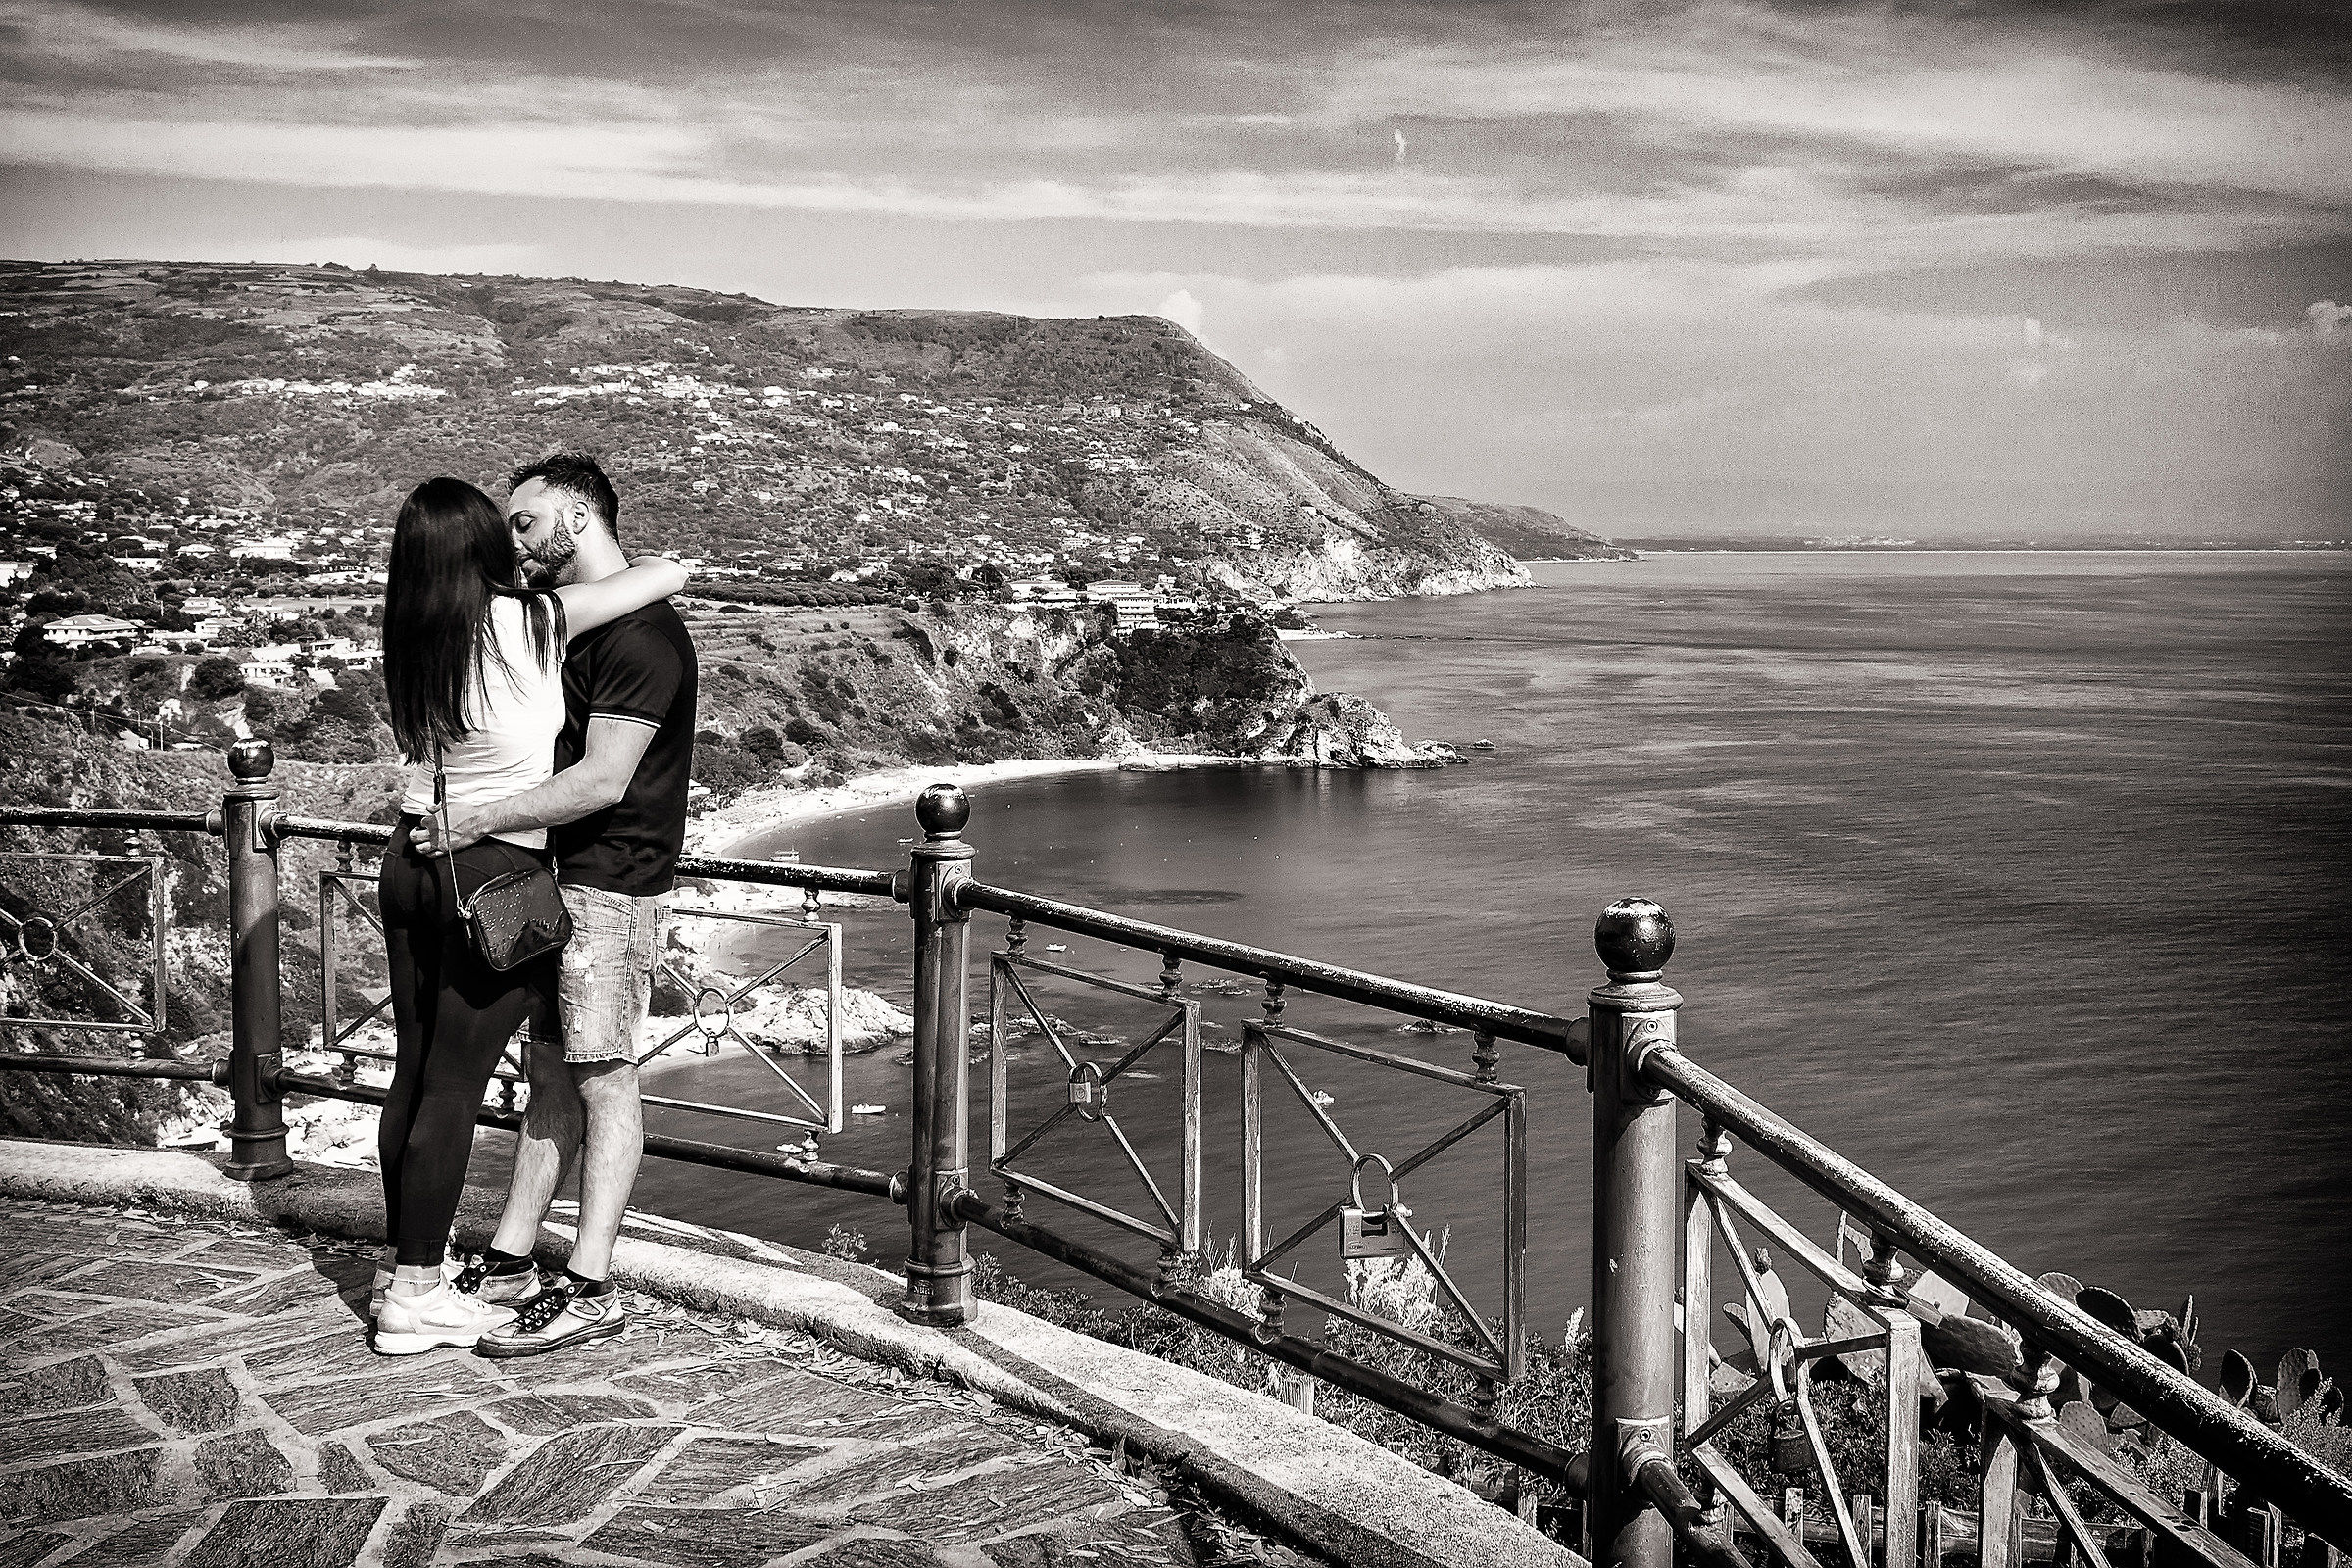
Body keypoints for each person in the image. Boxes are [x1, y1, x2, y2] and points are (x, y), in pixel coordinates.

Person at [371, 475, 687, 1356]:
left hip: (408, 860)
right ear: (478, 551)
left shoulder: (413, 633)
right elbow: (665, 573)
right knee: (457, 1086)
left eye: (527, 521)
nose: (515, 544)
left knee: (417, 1073)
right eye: (501, 531)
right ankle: (416, 1291)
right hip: (493, 873)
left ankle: (426, 1260)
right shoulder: (529, 622)